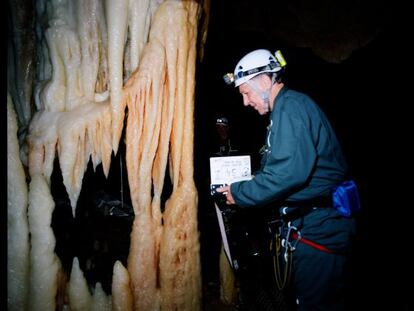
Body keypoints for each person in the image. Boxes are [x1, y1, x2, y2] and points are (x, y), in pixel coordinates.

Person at [217, 49, 357, 311]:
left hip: (319, 231)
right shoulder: (285, 111)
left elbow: (287, 173)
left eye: (246, 93)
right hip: (309, 228)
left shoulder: (291, 107)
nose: (245, 102)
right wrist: (247, 183)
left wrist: (240, 193)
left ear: (264, 81)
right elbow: (278, 167)